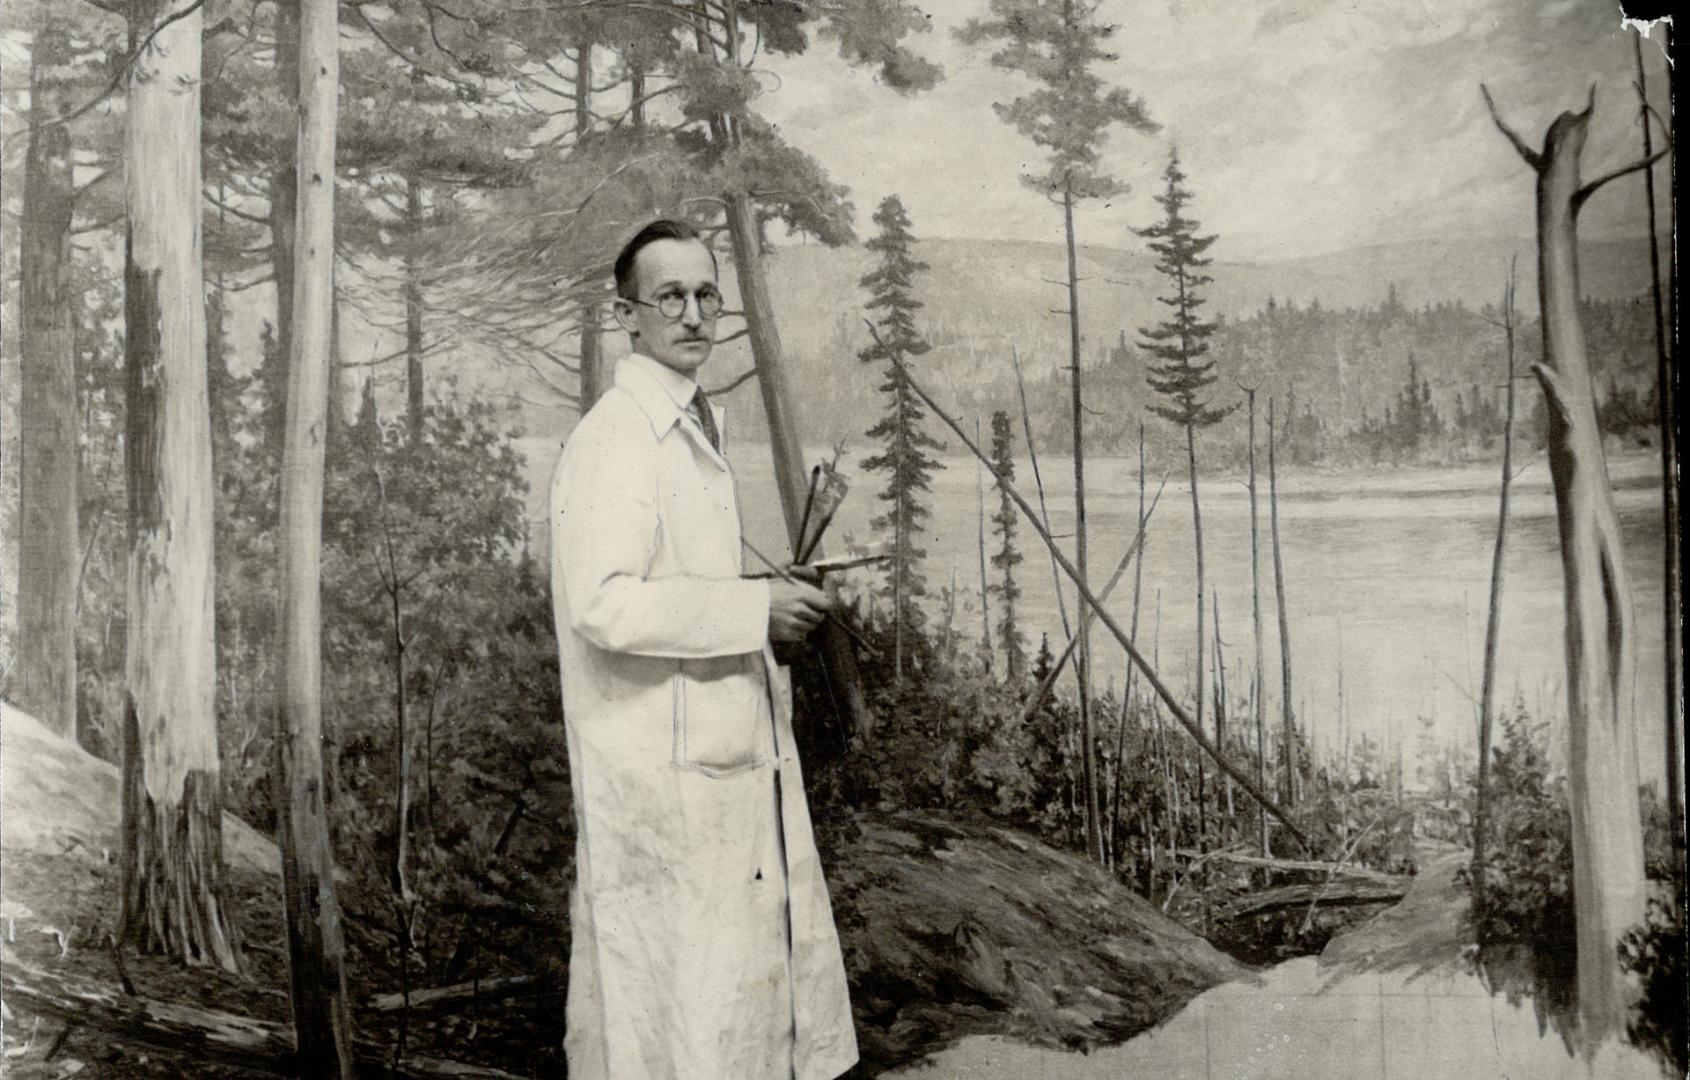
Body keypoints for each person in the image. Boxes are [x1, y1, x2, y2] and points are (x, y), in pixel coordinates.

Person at [548, 218, 859, 1080]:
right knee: (675, 1006)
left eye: (707, 294)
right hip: (659, 775)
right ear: (627, 316)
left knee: (714, 1005)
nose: (693, 314)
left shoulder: (693, 423)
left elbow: (687, 586)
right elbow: (603, 605)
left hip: (710, 759)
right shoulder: (617, 438)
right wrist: (752, 611)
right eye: (669, 297)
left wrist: (770, 608)